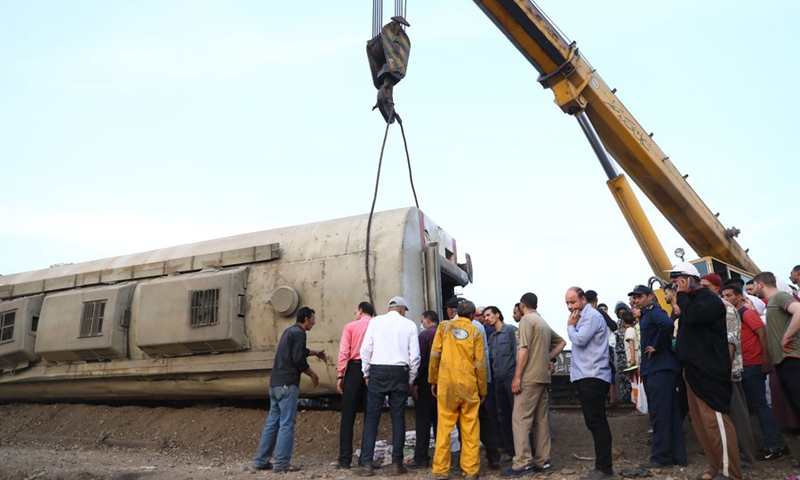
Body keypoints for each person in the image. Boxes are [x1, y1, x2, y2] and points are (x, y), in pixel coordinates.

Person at [670, 262, 741, 480]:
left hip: (709, 369)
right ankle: (715, 467)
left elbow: (693, 317)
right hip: (692, 369)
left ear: (690, 279)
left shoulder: (709, 300)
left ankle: (730, 472)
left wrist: (681, 296)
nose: (675, 287)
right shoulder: (691, 302)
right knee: (702, 424)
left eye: (678, 281)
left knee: (716, 421)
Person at [252, 307, 327, 472]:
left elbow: (296, 351)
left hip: (275, 384)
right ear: (306, 319)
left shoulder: (289, 331)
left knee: (272, 423)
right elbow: (298, 359)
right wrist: (313, 374)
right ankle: (281, 464)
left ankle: (261, 461)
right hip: (288, 385)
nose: (314, 322)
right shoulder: (300, 334)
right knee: (287, 424)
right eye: (313, 319)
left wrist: (314, 353)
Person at [721, 284, 789, 460]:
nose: (726, 299)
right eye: (724, 295)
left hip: (752, 365)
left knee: (759, 405)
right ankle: (770, 443)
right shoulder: (733, 316)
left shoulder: (746, 313)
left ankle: (775, 445)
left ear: (739, 297)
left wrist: (766, 359)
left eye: (729, 295)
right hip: (743, 365)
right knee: (753, 406)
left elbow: (762, 334)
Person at [501, 292, 565, 478]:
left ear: (522, 305)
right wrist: (547, 358)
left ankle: (522, 464)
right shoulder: (542, 321)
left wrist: (517, 376)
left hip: (529, 378)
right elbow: (561, 342)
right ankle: (542, 461)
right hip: (543, 377)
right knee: (540, 421)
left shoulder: (526, 321)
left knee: (520, 420)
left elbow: (524, 349)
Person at [356, 297, 421, 477]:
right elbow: (415, 356)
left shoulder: (376, 322)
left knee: (372, 418)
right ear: (401, 309)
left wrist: (366, 373)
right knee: (398, 417)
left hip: (378, 370)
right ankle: (396, 464)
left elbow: (365, 350)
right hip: (400, 371)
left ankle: (367, 464)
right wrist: (411, 379)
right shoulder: (409, 325)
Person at [628, 285, 686, 468]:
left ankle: (661, 456)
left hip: (659, 368)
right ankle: (677, 455)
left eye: (639, 297)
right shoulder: (647, 313)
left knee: (660, 413)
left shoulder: (653, 311)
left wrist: (656, 346)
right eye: (634, 297)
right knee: (671, 413)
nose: (636, 300)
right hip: (661, 368)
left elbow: (667, 325)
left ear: (649, 297)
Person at [701, 274, 756, 468]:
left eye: (706, 287)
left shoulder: (725, 308)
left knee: (737, 414)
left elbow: (730, 341)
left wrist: (723, 371)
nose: (702, 290)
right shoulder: (707, 309)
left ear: (717, 288)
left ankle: (747, 457)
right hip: (712, 373)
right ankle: (729, 456)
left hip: (727, 372)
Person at [429, 300, 488, 480]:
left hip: (446, 384)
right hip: (468, 385)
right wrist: (482, 389)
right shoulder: (476, 331)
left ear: (455, 312)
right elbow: (480, 364)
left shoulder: (444, 327)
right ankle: (470, 471)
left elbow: (435, 354)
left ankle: (440, 471)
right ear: (471, 315)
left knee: (444, 428)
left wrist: (433, 379)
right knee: (470, 429)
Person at [565, 287, 614, 480]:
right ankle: (602, 467)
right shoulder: (583, 317)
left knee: (597, 422)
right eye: (567, 303)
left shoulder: (590, 316)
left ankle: (604, 469)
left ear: (583, 299)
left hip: (593, 375)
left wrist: (570, 325)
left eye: (573, 302)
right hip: (586, 375)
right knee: (594, 421)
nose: (570, 307)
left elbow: (580, 339)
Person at [752, 272, 800, 419]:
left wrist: (786, 337)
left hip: (791, 359)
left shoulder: (779, 297)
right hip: (784, 361)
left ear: (760, 284)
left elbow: (799, 310)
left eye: (754, 285)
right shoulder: (772, 301)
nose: (753, 290)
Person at [335, 302, 375, 469]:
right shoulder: (376, 325)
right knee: (370, 416)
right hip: (372, 370)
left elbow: (344, 351)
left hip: (353, 370)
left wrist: (340, 374)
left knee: (348, 415)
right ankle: (366, 460)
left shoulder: (350, 327)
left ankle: (345, 460)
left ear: (360, 311)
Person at [485, 305, 520, 459]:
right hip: (498, 380)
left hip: (511, 378)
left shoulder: (511, 331)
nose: (486, 318)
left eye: (488, 315)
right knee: (502, 416)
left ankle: (525, 450)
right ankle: (510, 450)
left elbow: (519, 354)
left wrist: (518, 378)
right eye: (485, 316)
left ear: (497, 315)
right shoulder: (491, 337)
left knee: (517, 415)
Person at [409, 310, 440, 469]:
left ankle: (421, 457)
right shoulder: (444, 334)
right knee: (439, 421)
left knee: (423, 420)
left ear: (427, 321)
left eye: (422, 321)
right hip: (442, 383)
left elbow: (418, 360)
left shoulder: (424, 336)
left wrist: (413, 382)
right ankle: (442, 458)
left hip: (425, 382)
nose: (422, 324)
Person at [586, 290, 619, 405]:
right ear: (596, 300)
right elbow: (614, 326)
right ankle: (613, 397)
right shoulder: (598, 313)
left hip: (586, 349)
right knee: (609, 370)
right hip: (603, 347)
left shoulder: (581, 313)